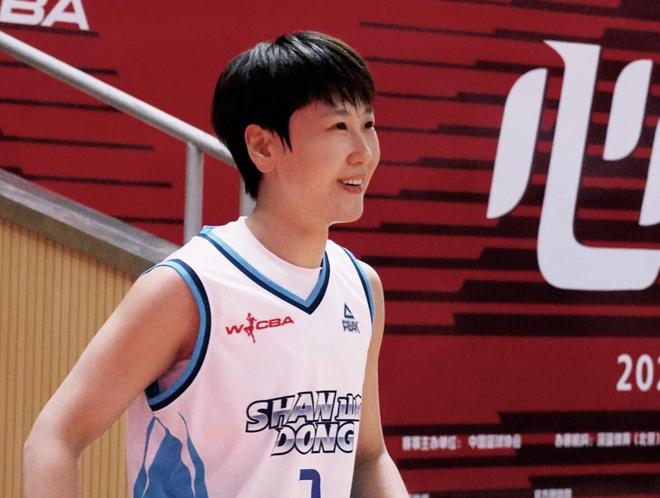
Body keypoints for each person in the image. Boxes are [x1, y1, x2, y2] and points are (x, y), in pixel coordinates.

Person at [23, 31, 409, 497]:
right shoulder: (187, 287)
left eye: (369, 124)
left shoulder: (362, 287)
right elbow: (55, 437)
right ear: (263, 147)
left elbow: (368, 456)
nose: (364, 152)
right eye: (339, 127)